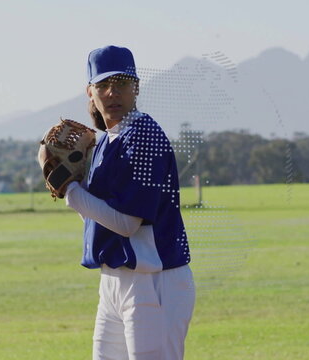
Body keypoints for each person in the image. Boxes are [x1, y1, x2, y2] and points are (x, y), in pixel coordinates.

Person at [64, 45, 195, 360]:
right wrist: (78, 185)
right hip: (115, 278)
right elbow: (96, 218)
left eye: (122, 83)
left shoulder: (144, 135)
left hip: (154, 279)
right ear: (90, 92)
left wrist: (69, 189)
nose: (113, 93)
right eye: (103, 85)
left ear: (136, 88)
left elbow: (126, 223)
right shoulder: (106, 140)